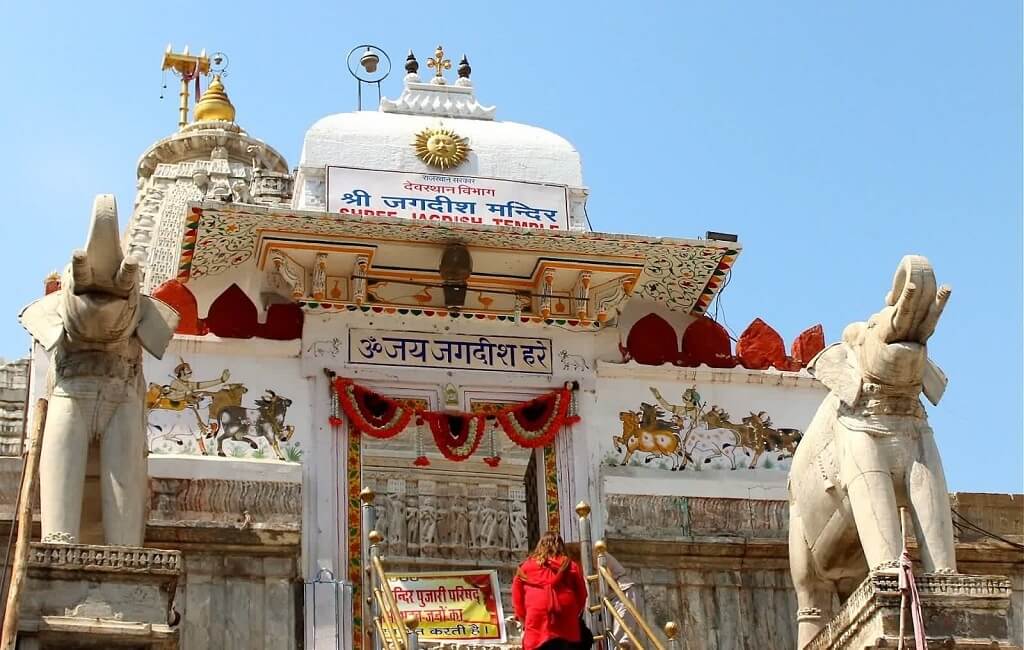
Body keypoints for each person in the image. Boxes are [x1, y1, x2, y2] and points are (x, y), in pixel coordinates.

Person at [512, 530, 588, 650]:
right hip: (564, 617)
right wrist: (573, 612)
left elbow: (517, 598)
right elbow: (582, 594)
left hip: (536, 618)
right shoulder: (571, 565)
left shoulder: (526, 566)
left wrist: (524, 620)